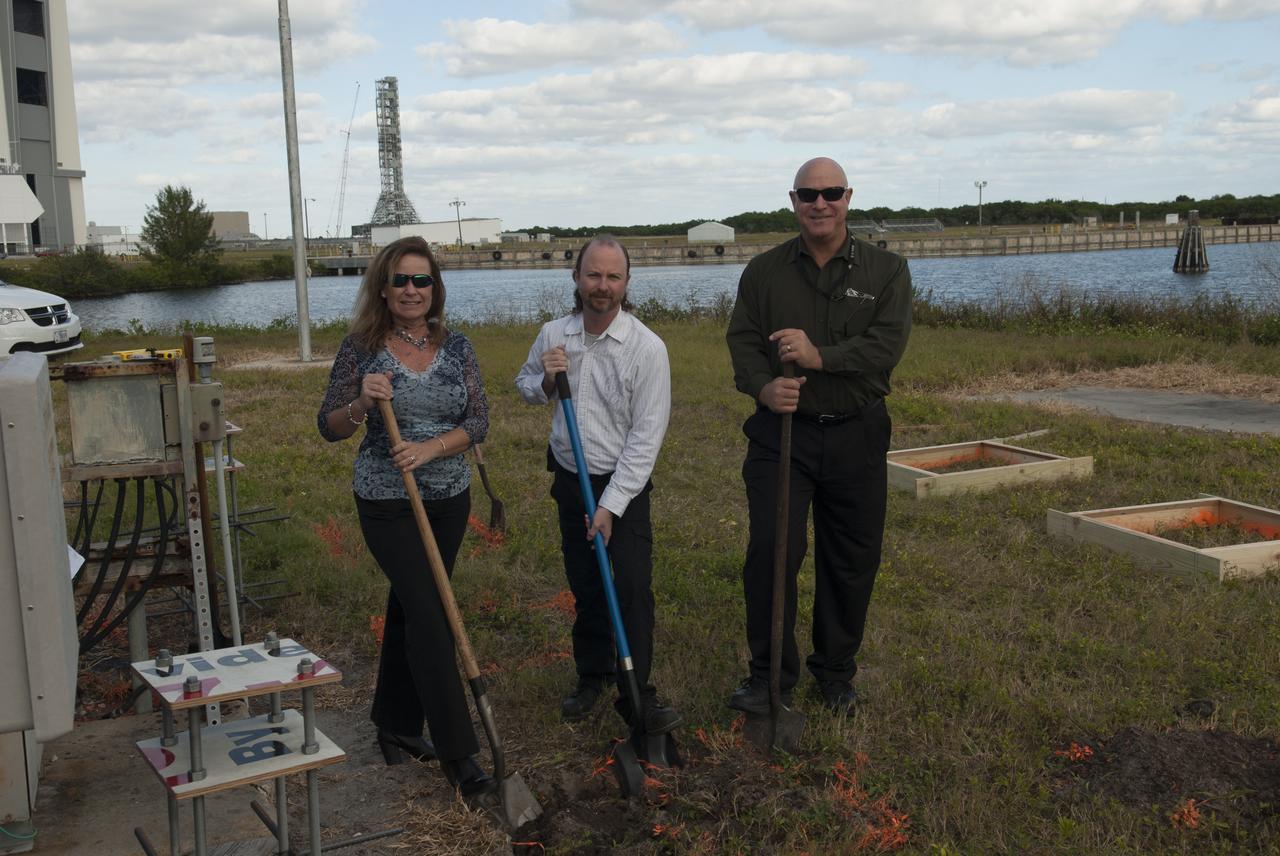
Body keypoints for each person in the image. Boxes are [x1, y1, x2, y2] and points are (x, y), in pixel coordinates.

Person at [725, 157, 912, 715]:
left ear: (848, 196)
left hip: (857, 434)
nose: (820, 204)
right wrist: (763, 389)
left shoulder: (887, 271)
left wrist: (819, 357)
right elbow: (743, 342)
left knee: (850, 558)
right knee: (772, 552)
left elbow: (885, 348)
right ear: (793, 200)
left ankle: (835, 673)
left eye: (831, 193)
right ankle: (768, 677)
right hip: (782, 437)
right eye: (808, 195)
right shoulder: (763, 272)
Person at [317, 236, 496, 797]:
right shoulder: (360, 347)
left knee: (410, 608)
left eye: (422, 280)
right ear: (383, 288)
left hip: (447, 498)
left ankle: (394, 725)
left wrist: (430, 449)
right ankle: (460, 754)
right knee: (432, 613)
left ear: (434, 287)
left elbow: (480, 421)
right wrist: (361, 405)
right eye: (401, 280)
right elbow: (329, 425)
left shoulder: (458, 346)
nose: (412, 290)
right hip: (387, 501)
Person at [514, 235, 681, 735]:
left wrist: (609, 505)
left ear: (626, 283)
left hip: (623, 485)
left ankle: (638, 692)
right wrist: (546, 378)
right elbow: (525, 390)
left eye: (612, 277)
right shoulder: (553, 335)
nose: (602, 286)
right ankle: (593, 674)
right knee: (586, 584)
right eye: (593, 275)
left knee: (629, 586)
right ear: (576, 278)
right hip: (571, 479)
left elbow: (646, 438)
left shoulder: (647, 349)